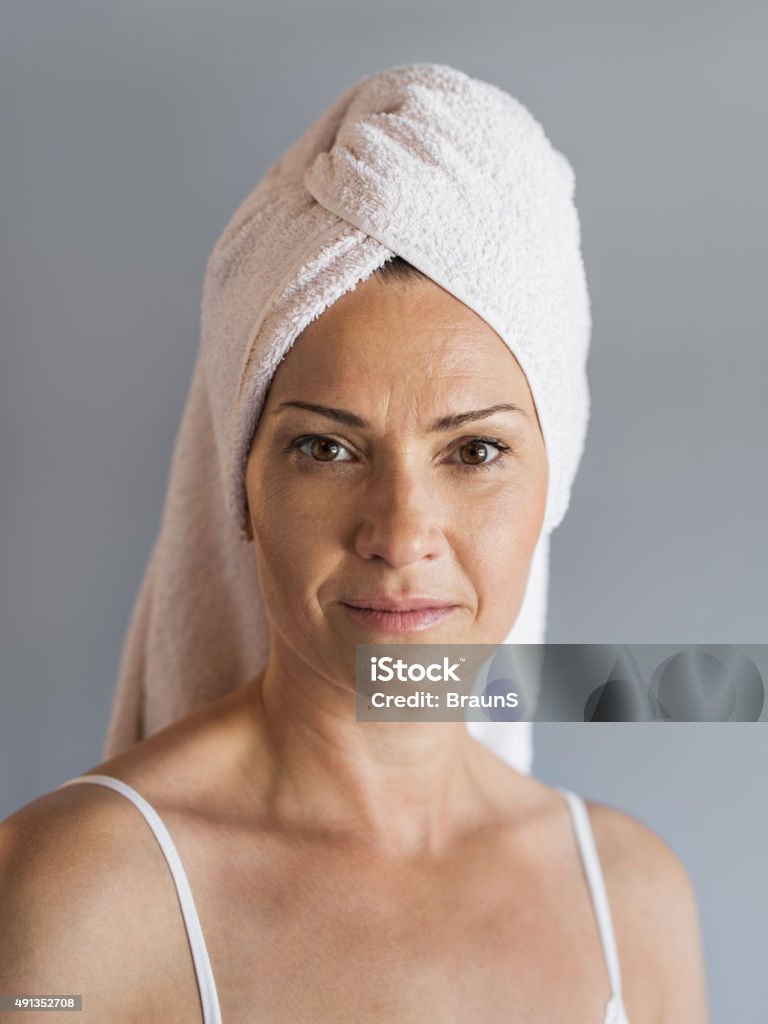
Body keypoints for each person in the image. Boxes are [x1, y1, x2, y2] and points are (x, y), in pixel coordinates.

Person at [0, 64, 709, 1023]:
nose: (401, 534)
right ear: (240, 481)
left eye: (475, 450)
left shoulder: (632, 898)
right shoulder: (80, 896)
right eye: (327, 447)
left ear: (554, 483)